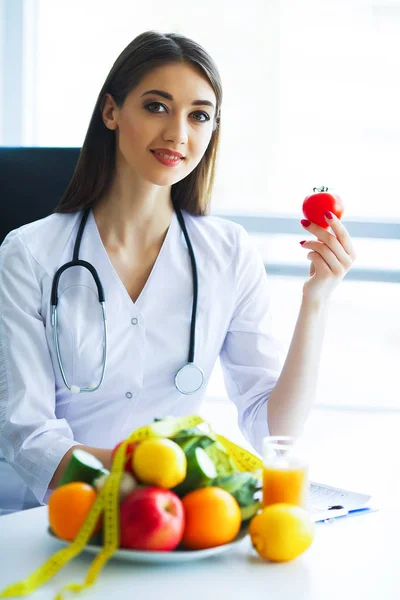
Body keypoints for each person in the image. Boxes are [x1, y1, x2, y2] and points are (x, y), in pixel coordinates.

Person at [0, 31, 356, 515]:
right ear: (111, 112)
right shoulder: (30, 254)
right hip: (52, 519)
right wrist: (166, 474)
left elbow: (275, 431)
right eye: (156, 106)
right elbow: (30, 438)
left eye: (199, 115)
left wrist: (317, 299)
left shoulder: (228, 252)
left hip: (174, 522)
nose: (177, 134)